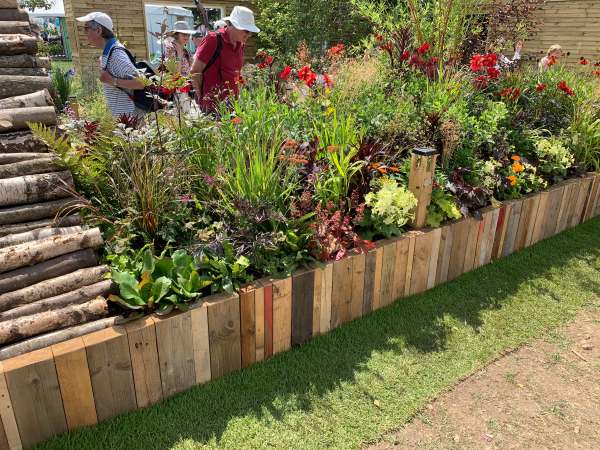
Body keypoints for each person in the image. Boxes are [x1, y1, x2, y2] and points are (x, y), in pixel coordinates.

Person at [189, 6, 259, 114]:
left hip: (233, 105)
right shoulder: (213, 40)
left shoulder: (240, 45)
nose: (249, 34)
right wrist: (201, 97)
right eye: (246, 30)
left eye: (250, 31)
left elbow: (236, 72)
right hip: (213, 107)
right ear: (233, 25)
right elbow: (195, 71)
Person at [76, 12, 145, 118]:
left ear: (98, 30)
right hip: (124, 120)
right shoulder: (109, 53)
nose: (84, 32)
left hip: (131, 122)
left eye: (86, 28)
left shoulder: (115, 55)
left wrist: (112, 81)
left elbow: (141, 83)